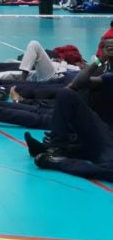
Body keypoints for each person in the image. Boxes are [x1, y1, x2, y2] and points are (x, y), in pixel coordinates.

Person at [25, 37, 113, 181]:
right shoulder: (109, 77)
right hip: (100, 131)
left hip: (107, 144)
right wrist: (99, 60)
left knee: (107, 167)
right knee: (65, 94)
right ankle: (56, 148)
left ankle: (58, 161)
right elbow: (74, 86)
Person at [0, 41, 82, 85]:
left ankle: (22, 82)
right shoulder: (75, 61)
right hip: (40, 72)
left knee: (34, 45)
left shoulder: (80, 69)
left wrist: (63, 62)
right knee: (6, 71)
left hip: (54, 75)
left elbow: (68, 72)